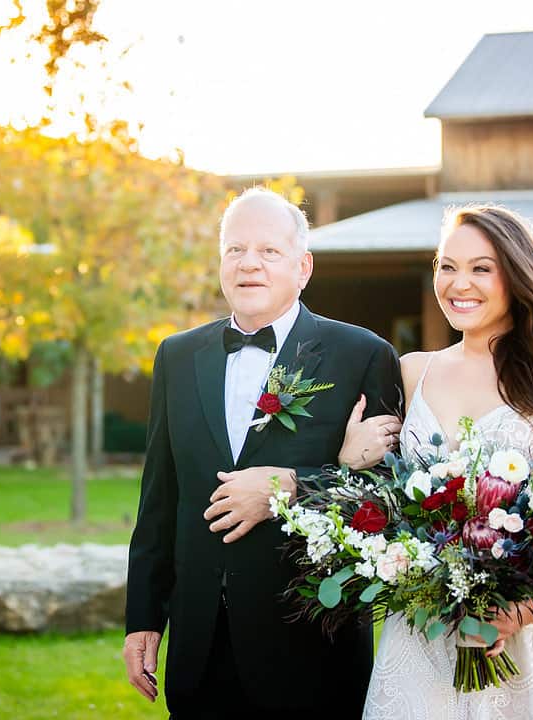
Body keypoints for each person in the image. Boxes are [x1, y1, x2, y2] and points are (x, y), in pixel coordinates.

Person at [123, 187, 403, 718]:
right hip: (200, 645)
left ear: (304, 267)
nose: (249, 263)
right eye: (235, 249)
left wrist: (289, 487)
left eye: (269, 251)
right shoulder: (177, 357)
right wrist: (143, 617)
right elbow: (160, 498)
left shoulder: (363, 355)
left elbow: (388, 506)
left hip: (313, 643)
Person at [359, 205, 533, 719]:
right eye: (447, 265)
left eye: (481, 268)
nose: (458, 283)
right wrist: (352, 453)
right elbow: (376, 495)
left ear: (517, 275)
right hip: (429, 631)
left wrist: (518, 613)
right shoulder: (411, 373)